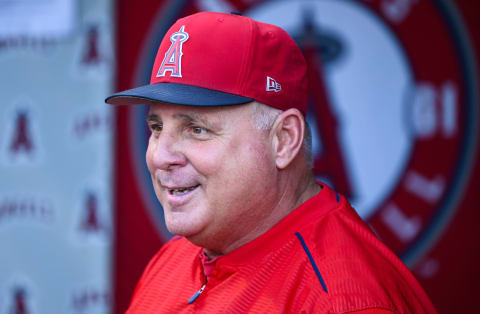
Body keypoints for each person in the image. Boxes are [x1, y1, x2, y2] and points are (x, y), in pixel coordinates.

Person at [106, 11, 437, 313]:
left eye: (196, 129)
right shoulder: (175, 257)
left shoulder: (342, 300)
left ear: (284, 140)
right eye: (156, 127)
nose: (161, 156)